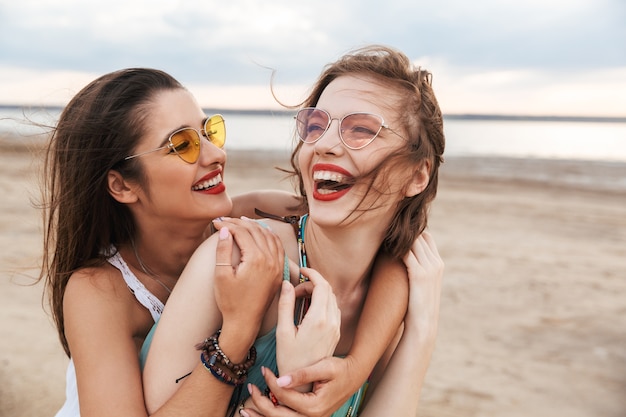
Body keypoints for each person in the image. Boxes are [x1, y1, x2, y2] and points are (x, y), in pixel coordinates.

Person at [142, 44, 445, 417]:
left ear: (417, 176)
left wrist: (421, 331)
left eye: (362, 130)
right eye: (315, 126)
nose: (323, 145)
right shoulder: (235, 258)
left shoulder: (387, 305)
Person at [38, 67, 299, 416]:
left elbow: (380, 233)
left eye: (209, 133)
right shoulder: (101, 292)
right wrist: (237, 331)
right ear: (122, 186)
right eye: (182, 145)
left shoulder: (265, 213)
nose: (215, 155)